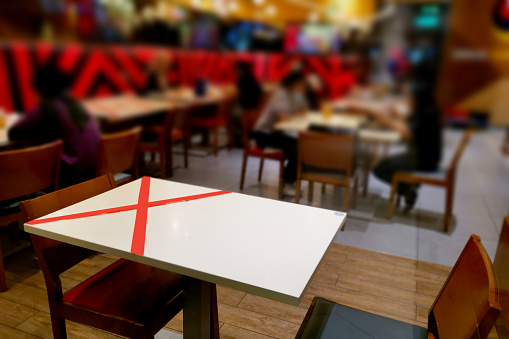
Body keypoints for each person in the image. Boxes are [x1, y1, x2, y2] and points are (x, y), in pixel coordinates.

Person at [358, 59, 442, 212]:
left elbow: (407, 133)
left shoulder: (427, 114)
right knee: (386, 164)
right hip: (424, 154)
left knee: (379, 168)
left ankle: (407, 189)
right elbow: (411, 124)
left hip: (424, 159)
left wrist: (386, 119)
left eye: (410, 97)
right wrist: (396, 113)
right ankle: (407, 187)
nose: (408, 100)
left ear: (418, 99)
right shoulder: (427, 110)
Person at [9, 61, 101, 188]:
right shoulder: (76, 105)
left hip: (73, 175)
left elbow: (13, 133)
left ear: (40, 89)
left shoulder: (47, 107)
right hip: (96, 170)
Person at [252, 71, 309, 196]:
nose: (302, 88)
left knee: (305, 145)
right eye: (300, 85)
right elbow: (283, 118)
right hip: (265, 133)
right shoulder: (280, 94)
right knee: (297, 147)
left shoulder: (296, 95)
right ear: (291, 84)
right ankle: (287, 183)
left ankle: (290, 179)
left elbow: (304, 113)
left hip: (283, 131)